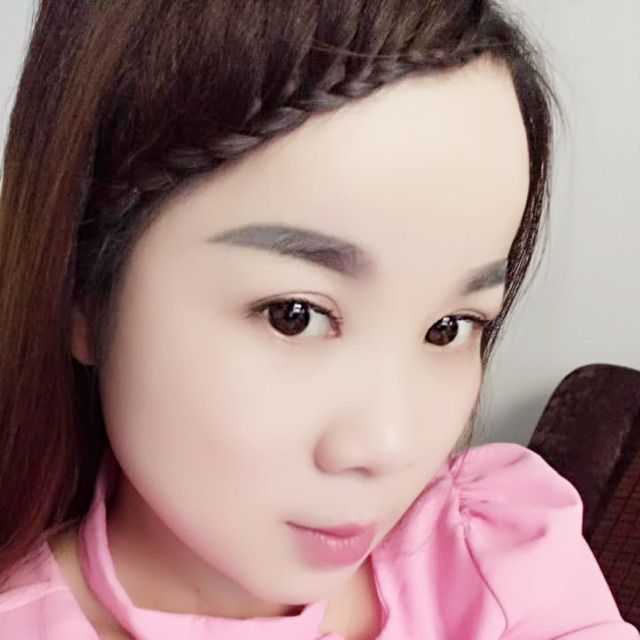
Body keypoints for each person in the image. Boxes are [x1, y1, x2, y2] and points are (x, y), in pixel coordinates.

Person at [0, 1, 637, 638]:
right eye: (295, 316)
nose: (391, 445)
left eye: (450, 327)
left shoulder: (498, 560)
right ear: (82, 289)